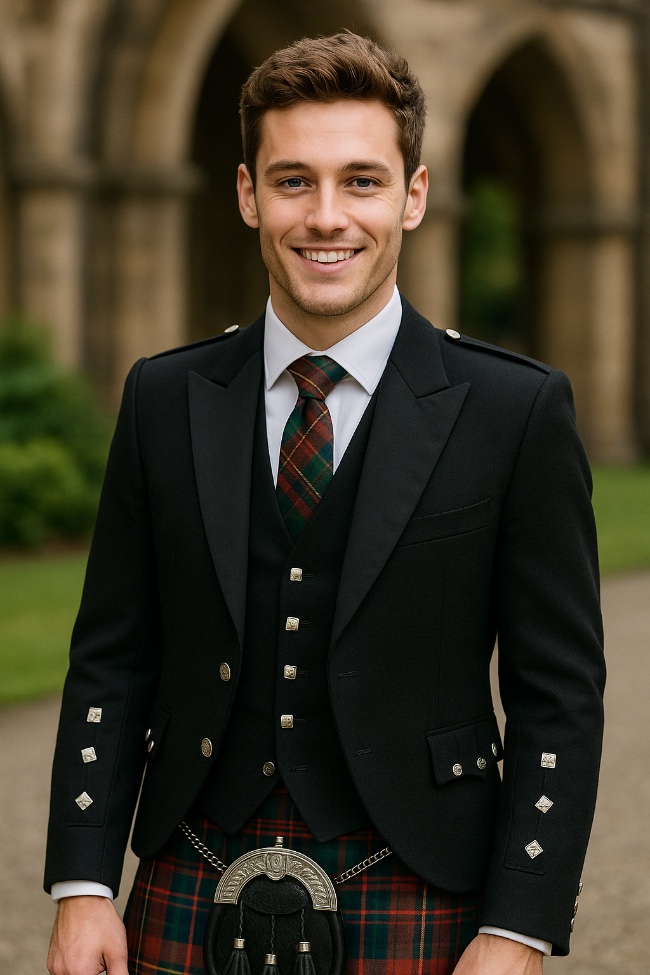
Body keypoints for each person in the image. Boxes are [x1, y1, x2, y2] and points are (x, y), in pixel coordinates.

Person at [45, 32, 605, 975]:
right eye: (294, 180)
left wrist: (519, 928)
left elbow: (559, 699)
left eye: (362, 180)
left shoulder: (516, 410)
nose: (327, 216)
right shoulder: (163, 397)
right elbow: (112, 657)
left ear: (413, 197)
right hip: (192, 868)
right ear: (247, 194)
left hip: (420, 886)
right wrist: (84, 884)